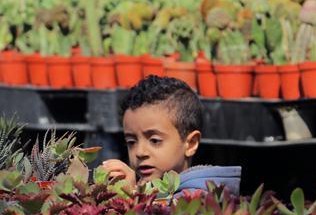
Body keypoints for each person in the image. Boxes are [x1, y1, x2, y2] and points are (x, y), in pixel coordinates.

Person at [101, 75, 241, 198]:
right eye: (131, 142)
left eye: (155, 140)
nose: (140, 152)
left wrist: (131, 196)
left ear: (191, 143)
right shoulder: (150, 190)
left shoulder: (198, 198)